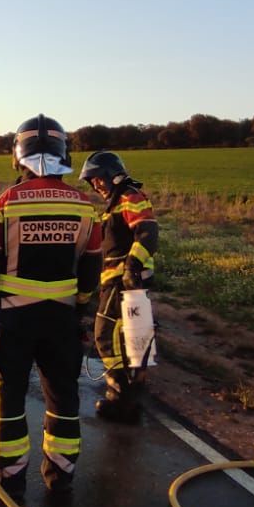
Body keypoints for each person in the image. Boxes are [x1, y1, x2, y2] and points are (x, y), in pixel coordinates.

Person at [0, 114, 101, 498]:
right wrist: (82, 310)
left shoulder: (5, 204)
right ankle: (60, 475)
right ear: (63, 153)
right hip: (63, 322)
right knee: (64, 398)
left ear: (17, 156)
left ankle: (7, 477)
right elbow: (91, 268)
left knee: (9, 400)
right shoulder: (85, 207)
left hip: (15, 322)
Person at [78, 151, 160, 424]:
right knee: (134, 341)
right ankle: (132, 398)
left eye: (98, 179)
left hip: (122, 281)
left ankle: (118, 395)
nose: (95, 185)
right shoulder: (116, 202)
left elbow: (147, 231)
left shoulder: (129, 197)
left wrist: (131, 266)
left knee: (104, 336)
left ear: (113, 174)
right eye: (91, 182)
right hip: (125, 281)